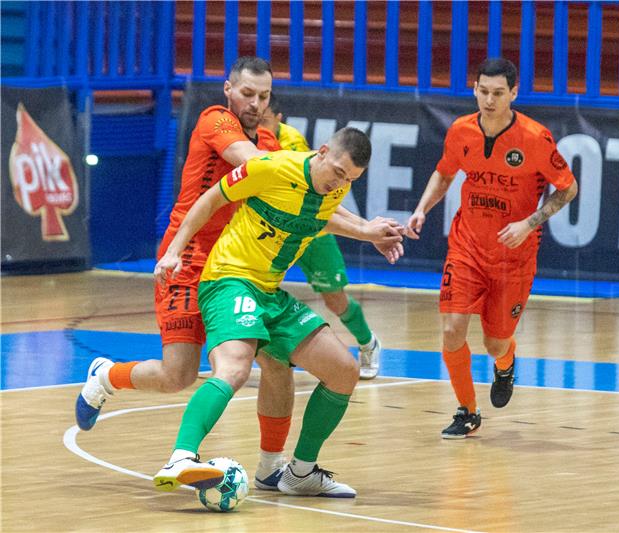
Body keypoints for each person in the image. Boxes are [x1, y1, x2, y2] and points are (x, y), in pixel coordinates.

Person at [151, 127, 404, 497]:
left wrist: (368, 232)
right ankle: (181, 457)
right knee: (235, 367)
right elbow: (211, 199)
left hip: (269, 291)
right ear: (321, 152)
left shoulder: (335, 188)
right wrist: (174, 250)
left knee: (344, 370)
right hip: (230, 279)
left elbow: (320, 216)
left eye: (350, 179)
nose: (341, 182)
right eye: (338, 171)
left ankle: (299, 473)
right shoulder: (270, 168)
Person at [74, 56, 292, 450]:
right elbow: (257, 166)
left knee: (273, 362)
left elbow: (295, 193)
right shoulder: (216, 121)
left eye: (264, 96)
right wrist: (304, 169)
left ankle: (272, 466)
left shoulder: (273, 144)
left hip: (235, 270)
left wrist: (363, 228)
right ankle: (106, 377)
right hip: (187, 259)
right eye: (247, 93)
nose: (255, 104)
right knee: (178, 375)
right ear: (228, 90)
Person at [406, 58, 578, 439]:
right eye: (483, 91)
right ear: (475, 89)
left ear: (514, 93)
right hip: (466, 246)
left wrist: (529, 222)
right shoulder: (461, 131)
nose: (489, 99)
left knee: (495, 340)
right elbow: (445, 172)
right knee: (452, 330)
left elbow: (568, 187)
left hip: (514, 256)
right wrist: (421, 209)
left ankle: (505, 362)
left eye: (498, 93)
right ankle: (467, 411)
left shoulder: (535, 138)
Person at [259, 93, 382, 380]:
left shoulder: (292, 143)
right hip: (279, 229)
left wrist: (362, 227)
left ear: (278, 118)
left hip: (313, 233)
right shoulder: (248, 139)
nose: (260, 125)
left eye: (265, 120)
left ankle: (368, 343)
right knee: (252, 285)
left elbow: (318, 198)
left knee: (334, 300)